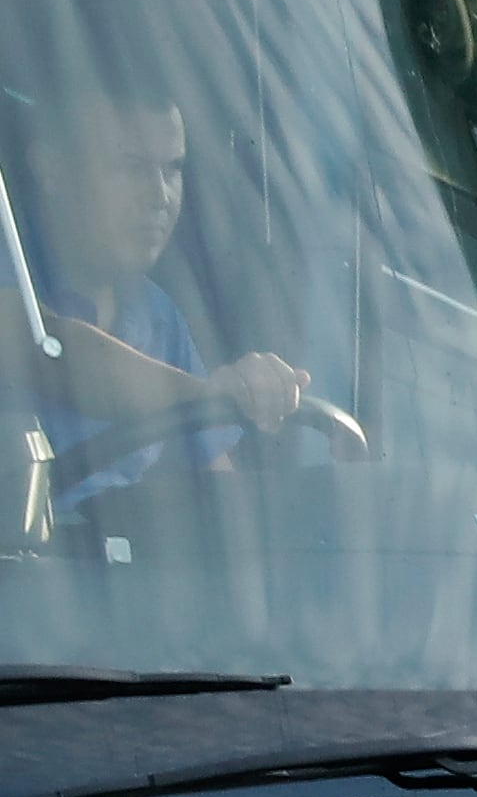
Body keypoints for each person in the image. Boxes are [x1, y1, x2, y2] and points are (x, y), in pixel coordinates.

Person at [31, 83, 318, 501]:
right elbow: (47, 352)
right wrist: (211, 396)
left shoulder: (158, 314)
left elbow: (224, 489)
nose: (160, 196)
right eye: (131, 166)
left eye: (173, 169)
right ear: (52, 168)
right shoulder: (12, 270)